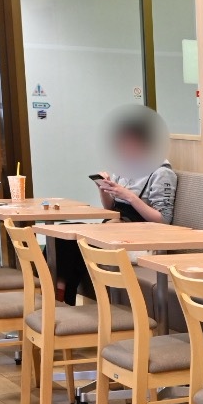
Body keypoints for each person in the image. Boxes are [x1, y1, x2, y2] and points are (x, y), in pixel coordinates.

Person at [55, 119, 176, 303]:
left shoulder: (162, 173)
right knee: (64, 233)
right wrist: (103, 189)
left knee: (75, 242)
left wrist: (129, 196)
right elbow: (111, 208)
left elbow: (163, 220)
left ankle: (62, 298)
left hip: (143, 242)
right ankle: (58, 292)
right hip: (116, 230)